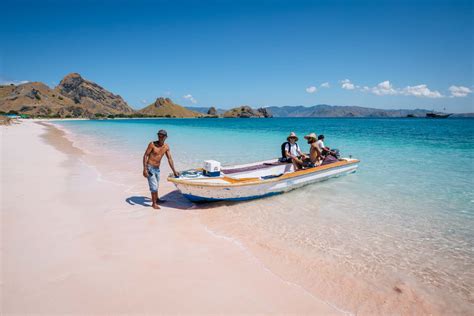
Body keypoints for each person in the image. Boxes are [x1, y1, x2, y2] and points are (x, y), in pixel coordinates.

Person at [142, 129, 179, 210]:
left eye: (162, 136)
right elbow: (145, 155)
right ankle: (154, 204)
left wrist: (174, 171)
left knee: (156, 185)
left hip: (157, 169)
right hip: (150, 167)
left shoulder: (166, 147)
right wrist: (145, 169)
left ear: (166, 137)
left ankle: (157, 199)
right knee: (154, 187)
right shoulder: (152, 144)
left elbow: (170, 159)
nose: (160, 137)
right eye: (159, 135)